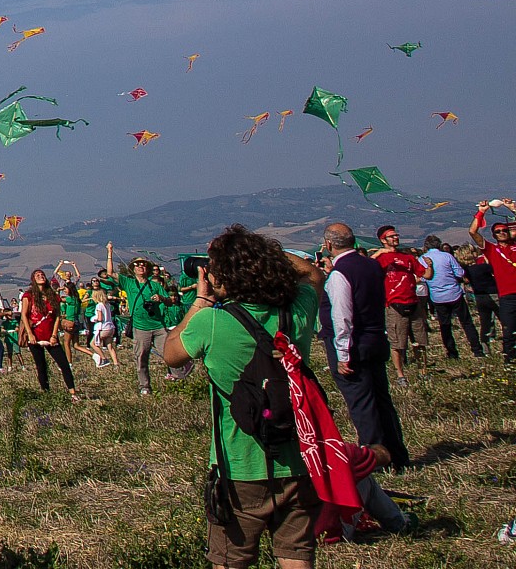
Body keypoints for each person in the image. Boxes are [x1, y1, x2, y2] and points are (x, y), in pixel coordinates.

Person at [165, 224, 324, 569]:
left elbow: (171, 353)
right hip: (300, 458)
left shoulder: (210, 323)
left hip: (239, 464)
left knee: (230, 559)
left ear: (224, 276)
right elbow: (311, 272)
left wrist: (202, 300)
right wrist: (256, 251)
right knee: (296, 554)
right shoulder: (297, 310)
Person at [318, 223, 408, 471]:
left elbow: (342, 316)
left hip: (355, 344)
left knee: (362, 403)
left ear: (328, 245)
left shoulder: (340, 273)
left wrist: (343, 354)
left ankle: (376, 458)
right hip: (376, 338)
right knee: (381, 399)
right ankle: (397, 453)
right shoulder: (370, 265)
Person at [371, 227, 427, 376]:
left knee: (419, 340)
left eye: (396, 235)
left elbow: (425, 274)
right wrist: (377, 254)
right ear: (383, 240)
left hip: (413, 301)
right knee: (397, 343)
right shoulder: (380, 259)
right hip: (393, 304)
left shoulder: (407, 257)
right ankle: (400, 374)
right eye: (391, 236)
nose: (396, 238)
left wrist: (430, 265)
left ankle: (423, 370)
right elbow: (364, 270)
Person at [120, 259, 181, 395]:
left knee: (168, 352)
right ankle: (145, 386)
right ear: (133, 269)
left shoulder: (155, 285)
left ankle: (179, 377)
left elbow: (170, 302)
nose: (141, 266)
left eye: (144, 265)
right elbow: (111, 273)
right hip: (140, 327)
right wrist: (110, 253)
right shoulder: (129, 283)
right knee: (141, 356)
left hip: (158, 325)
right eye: (137, 265)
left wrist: (161, 298)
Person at [419, 238, 482, 359]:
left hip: (437, 296)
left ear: (426, 246)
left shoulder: (422, 259)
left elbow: (422, 278)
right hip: (454, 293)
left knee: (445, 325)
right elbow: (459, 273)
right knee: (467, 322)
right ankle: (477, 349)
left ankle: (452, 352)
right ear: (439, 245)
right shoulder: (447, 256)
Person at [471, 204, 516, 361]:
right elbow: (473, 232)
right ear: (494, 235)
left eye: (504, 230)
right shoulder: (491, 250)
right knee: (509, 328)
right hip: (507, 296)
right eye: (498, 232)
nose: (502, 233)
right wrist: (481, 212)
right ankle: (509, 358)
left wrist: (513, 209)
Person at [21, 272, 77, 398]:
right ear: (33, 280)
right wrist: (30, 334)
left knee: (64, 364)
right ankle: (46, 393)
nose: (41, 276)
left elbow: (57, 316)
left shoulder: (53, 295)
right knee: (41, 366)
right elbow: (24, 314)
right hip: (35, 335)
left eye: (42, 274)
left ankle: (73, 392)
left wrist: (54, 334)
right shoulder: (28, 296)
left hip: (50, 335)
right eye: (37, 275)